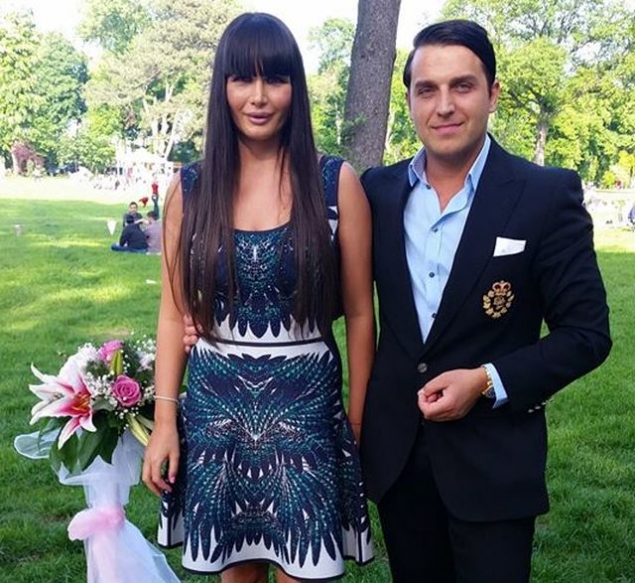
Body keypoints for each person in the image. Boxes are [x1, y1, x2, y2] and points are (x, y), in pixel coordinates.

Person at [358, 19, 612, 582]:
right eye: (427, 89)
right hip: (400, 455)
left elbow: (587, 334)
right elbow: (333, 293)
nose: (444, 105)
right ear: (409, 100)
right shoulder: (377, 191)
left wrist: (487, 380)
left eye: (463, 86)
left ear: (492, 94)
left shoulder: (544, 194)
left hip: (495, 461)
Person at [142, 12, 374, 583]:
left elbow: (360, 313)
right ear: (222, 87)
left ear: (296, 87)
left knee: (305, 569)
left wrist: (356, 420)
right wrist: (165, 421)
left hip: (307, 415)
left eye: (276, 78)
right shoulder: (190, 188)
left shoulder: (335, 183)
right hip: (216, 414)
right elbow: (173, 312)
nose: (260, 96)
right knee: (236, 574)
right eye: (242, 79)